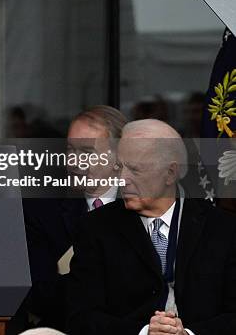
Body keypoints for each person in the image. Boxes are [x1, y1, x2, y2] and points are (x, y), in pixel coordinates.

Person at [67, 119, 236, 335]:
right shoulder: (96, 227)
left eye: (135, 170)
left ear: (170, 173)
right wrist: (144, 332)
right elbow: (79, 317)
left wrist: (188, 334)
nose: (122, 180)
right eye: (120, 167)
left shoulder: (223, 229)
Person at [22, 105, 126, 330]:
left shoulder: (140, 204)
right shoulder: (41, 210)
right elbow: (39, 294)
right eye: (70, 150)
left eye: (87, 153)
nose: (74, 162)